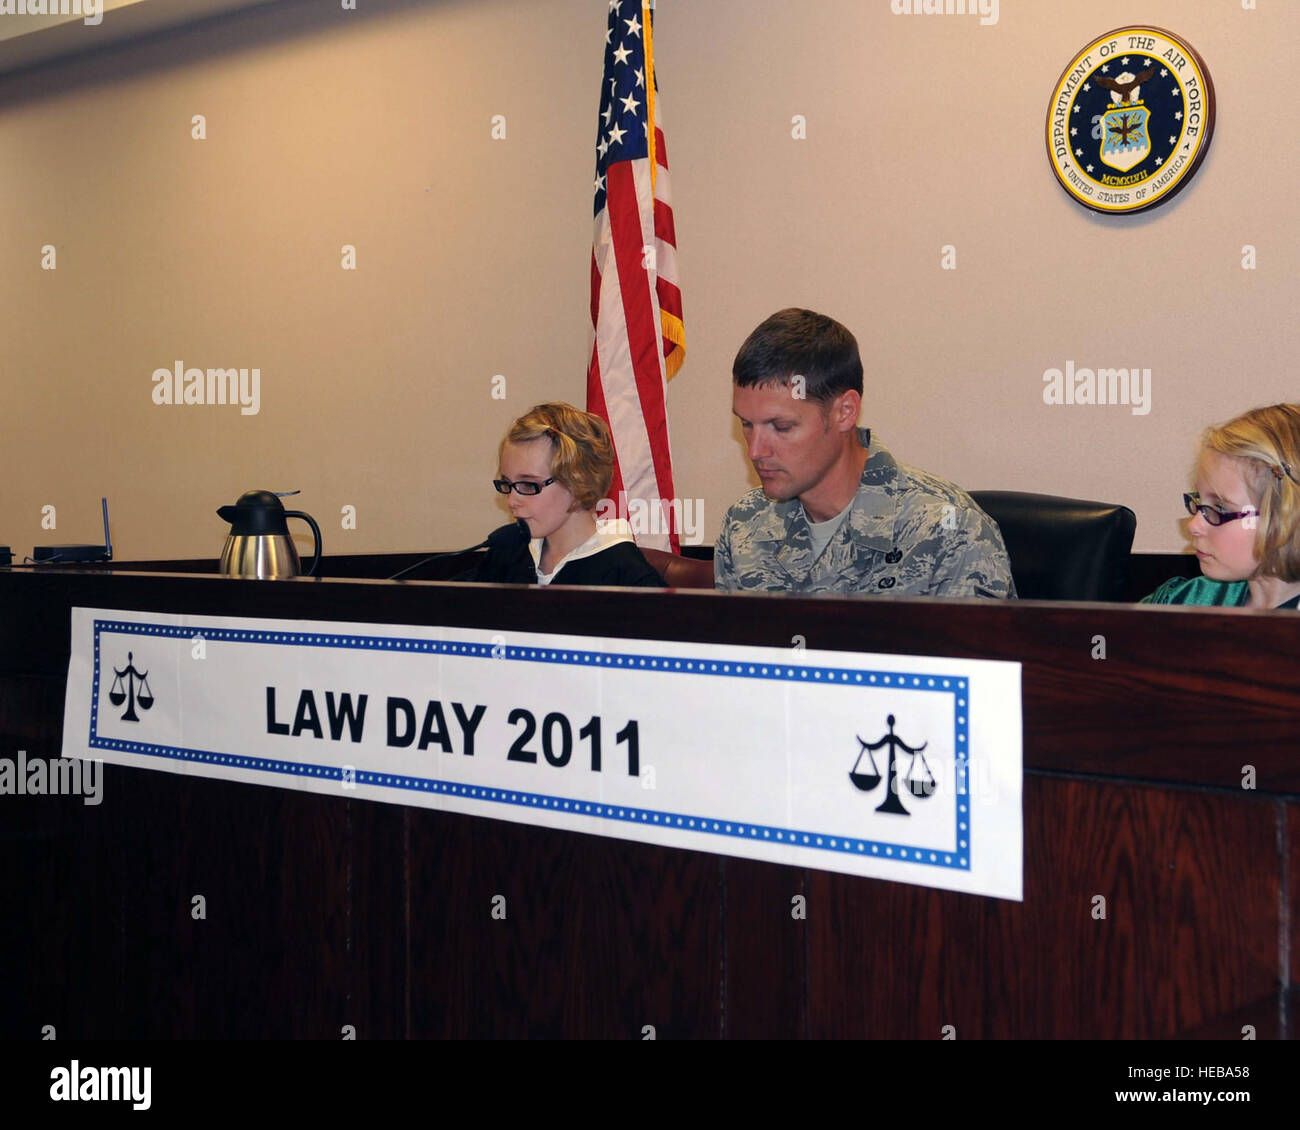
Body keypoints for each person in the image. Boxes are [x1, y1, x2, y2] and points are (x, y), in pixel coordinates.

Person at [714, 308, 1014, 597]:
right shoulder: (745, 523)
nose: (755, 450)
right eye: (747, 424)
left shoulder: (949, 530)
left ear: (844, 412)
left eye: (781, 427)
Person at [468, 402, 665, 587]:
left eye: (528, 485)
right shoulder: (506, 556)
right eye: (507, 484)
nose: (511, 500)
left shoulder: (629, 578)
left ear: (579, 481)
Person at [1142, 403, 1300, 609]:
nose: (1193, 526)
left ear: (1287, 518)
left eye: (1221, 508)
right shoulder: (1184, 601)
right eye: (1200, 503)